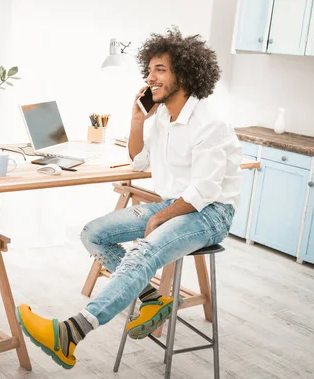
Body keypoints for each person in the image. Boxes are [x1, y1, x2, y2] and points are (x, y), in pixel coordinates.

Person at [15, 27, 242, 370]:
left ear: (185, 73)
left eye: (160, 70)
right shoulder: (163, 116)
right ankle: (150, 299)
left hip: (210, 213)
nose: (151, 78)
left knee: (144, 250)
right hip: (175, 203)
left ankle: (70, 333)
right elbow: (139, 160)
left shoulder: (210, 124)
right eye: (149, 71)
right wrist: (137, 120)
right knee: (93, 233)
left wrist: (159, 218)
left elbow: (205, 191)